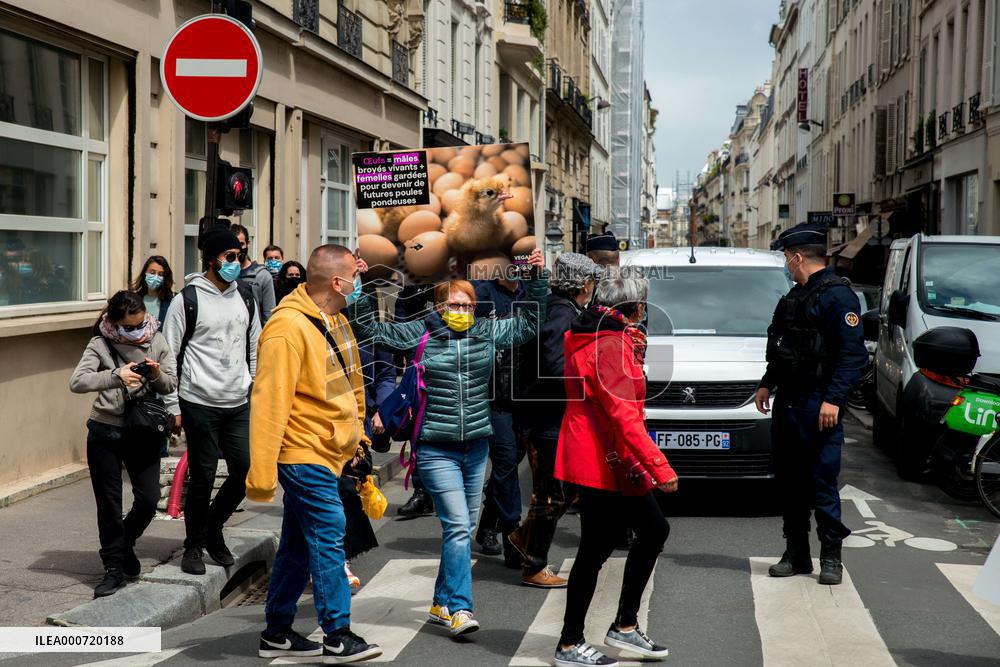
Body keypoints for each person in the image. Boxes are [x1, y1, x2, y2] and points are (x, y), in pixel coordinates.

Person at [348, 251, 548, 637]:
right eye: (455, 305)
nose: (462, 311)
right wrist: (359, 288)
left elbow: (528, 323)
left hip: (476, 447)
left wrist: (537, 277)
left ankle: (440, 601)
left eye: (468, 305)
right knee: (457, 527)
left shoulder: (485, 331)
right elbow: (370, 330)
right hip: (435, 447)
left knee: (464, 527)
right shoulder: (419, 332)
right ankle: (460, 608)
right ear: (439, 307)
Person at [246, 244, 381, 662]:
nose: (358, 283)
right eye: (354, 277)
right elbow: (269, 403)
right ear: (337, 282)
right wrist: (262, 476)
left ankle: (277, 632)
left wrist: (359, 440)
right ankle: (337, 634)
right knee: (328, 532)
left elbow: (352, 384)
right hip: (303, 451)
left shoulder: (336, 319)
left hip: (331, 450)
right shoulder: (287, 328)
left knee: (297, 545)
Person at [553, 269, 677, 667]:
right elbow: (623, 414)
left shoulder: (596, 334)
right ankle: (570, 643)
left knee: (643, 532)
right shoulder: (610, 345)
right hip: (602, 458)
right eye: (644, 305)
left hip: (607, 454)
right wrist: (659, 466)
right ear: (635, 307)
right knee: (598, 548)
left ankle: (622, 626)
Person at [755, 222, 868, 586]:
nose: (786, 264)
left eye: (787, 258)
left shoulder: (838, 297)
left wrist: (834, 399)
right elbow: (782, 348)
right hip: (789, 402)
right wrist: (767, 384)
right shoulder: (793, 297)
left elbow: (853, 356)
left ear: (798, 257)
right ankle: (797, 554)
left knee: (821, 481)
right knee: (790, 483)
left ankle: (831, 557)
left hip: (820, 404)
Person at [163, 226, 261, 576]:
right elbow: (168, 354)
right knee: (203, 476)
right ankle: (193, 545)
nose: (236, 262)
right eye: (229, 256)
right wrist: (172, 405)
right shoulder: (187, 299)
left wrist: (253, 387)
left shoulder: (245, 296)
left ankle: (213, 528)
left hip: (237, 401)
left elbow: (254, 345)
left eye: (239, 256)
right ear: (211, 259)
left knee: (244, 470)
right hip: (198, 400)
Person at [70, 291, 177, 598]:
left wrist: (155, 374)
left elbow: (171, 383)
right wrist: (116, 375)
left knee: (149, 499)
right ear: (116, 323)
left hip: (142, 430)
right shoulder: (100, 343)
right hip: (105, 429)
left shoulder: (156, 339)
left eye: (141, 323)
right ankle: (113, 567)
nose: (137, 331)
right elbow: (78, 381)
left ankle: (125, 541)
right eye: (129, 327)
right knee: (109, 503)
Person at [507, 253, 599, 589]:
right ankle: (534, 566)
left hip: (544, 414)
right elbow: (556, 363)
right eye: (591, 279)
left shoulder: (560, 307)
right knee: (551, 494)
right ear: (583, 283)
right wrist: (590, 380)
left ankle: (523, 537)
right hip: (546, 416)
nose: (593, 286)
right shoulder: (561, 312)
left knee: (564, 490)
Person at [470, 263, 527, 563]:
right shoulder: (482, 295)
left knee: (509, 466)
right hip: (492, 396)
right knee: (505, 461)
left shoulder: (530, 293)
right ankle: (512, 535)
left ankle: (487, 527)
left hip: (525, 396)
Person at [392, 282, 437, 519]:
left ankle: (446, 490)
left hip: (455, 355)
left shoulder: (454, 280)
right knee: (419, 429)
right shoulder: (411, 288)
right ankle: (422, 492)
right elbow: (401, 320)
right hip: (420, 359)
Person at [231, 223, 277, 324]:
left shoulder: (262, 276)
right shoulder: (224, 274)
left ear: (248, 243)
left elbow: (269, 314)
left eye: (241, 244)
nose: (238, 249)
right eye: (233, 244)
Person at [132, 255, 175, 330]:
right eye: (152, 272)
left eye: (160, 274)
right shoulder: (134, 300)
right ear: (145, 272)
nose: (156, 277)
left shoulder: (171, 301)